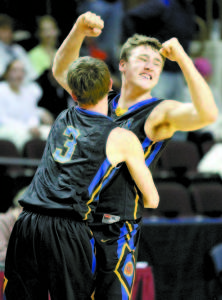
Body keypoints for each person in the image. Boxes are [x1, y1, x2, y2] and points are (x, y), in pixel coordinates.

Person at [52, 11, 218, 299]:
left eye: (157, 62)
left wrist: (183, 61)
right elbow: (61, 71)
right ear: (123, 65)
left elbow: (207, 114)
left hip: (115, 229)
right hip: (74, 223)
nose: (151, 65)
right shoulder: (101, 100)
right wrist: (78, 30)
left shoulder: (158, 112)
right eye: (143, 59)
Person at [4, 52, 159, 299]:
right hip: (67, 227)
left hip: (27, 223)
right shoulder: (122, 137)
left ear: (74, 94)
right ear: (110, 85)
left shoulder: (61, 118)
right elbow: (152, 200)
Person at [0, 59, 53, 153]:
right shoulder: (1, 90)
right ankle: (25, 166)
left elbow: (32, 114)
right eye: (15, 70)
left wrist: (33, 126)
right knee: (22, 136)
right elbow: (2, 119)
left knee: (51, 132)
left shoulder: (27, 92)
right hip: (7, 128)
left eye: (22, 71)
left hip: (28, 128)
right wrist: (27, 128)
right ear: (7, 73)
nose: (19, 74)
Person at [0, 14, 37, 82]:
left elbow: (32, 73)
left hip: (22, 85)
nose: (8, 32)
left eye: (9, 29)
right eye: (4, 29)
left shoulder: (18, 49)